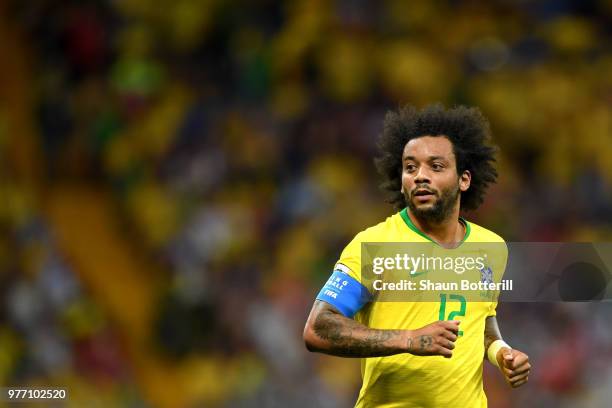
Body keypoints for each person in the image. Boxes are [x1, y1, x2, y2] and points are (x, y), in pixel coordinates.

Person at [303, 104, 531, 407]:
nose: (420, 176)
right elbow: (318, 328)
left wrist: (500, 351)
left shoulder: (491, 248)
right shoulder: (374, 245)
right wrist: (408, 339)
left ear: (464, 179)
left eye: (435, 167)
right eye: (410, 167)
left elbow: (481, 322)